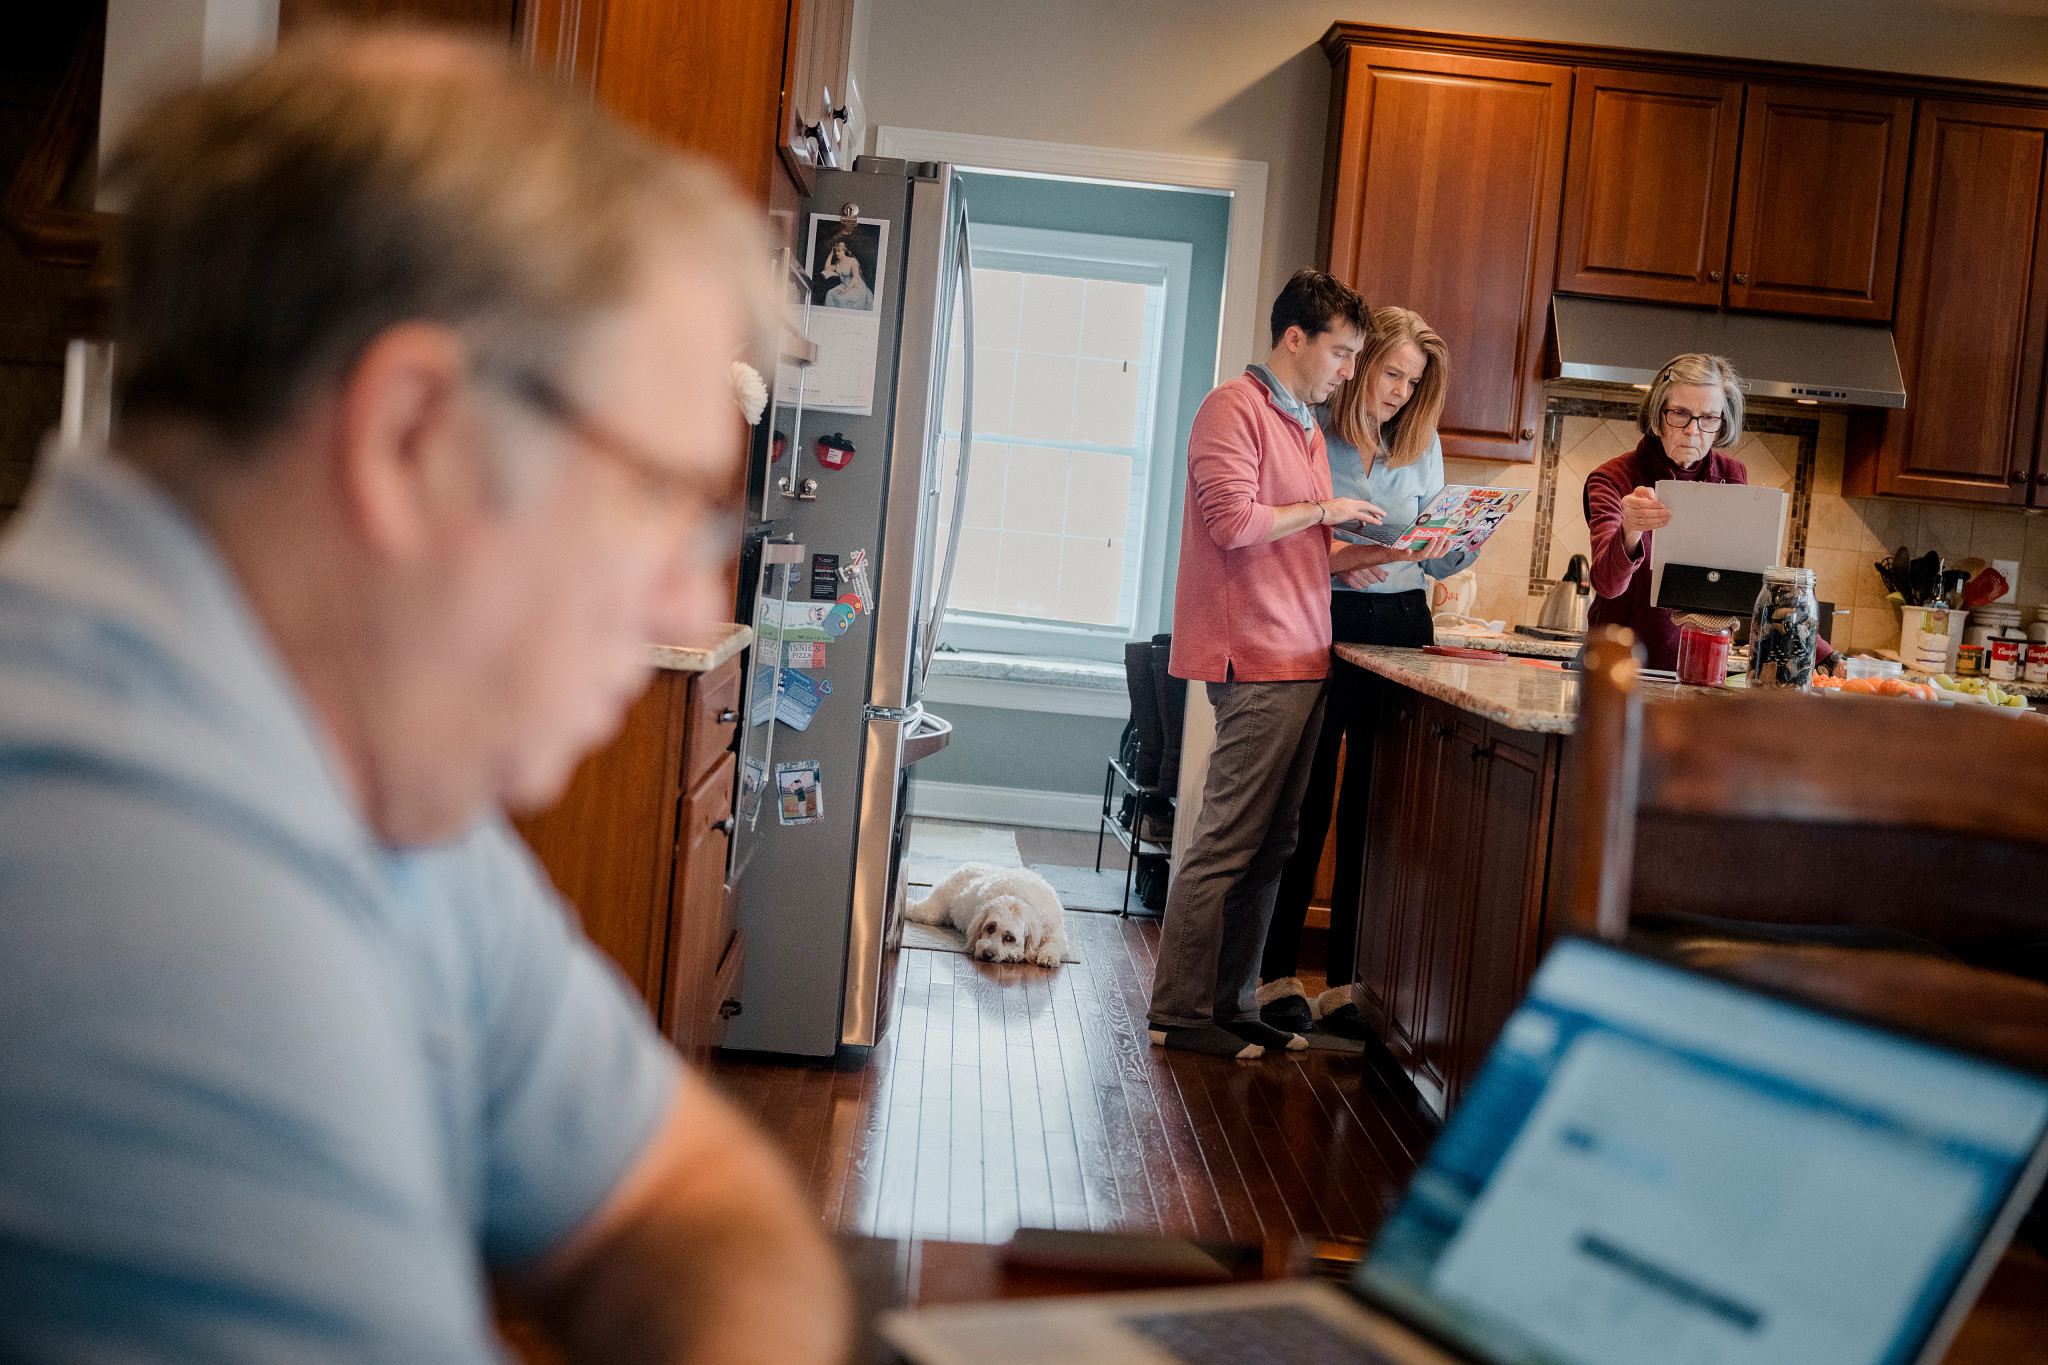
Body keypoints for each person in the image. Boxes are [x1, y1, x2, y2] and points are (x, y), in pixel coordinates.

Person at [0, 30, 848, 1364]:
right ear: (415, 439)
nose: (693, 607)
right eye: (658, 498)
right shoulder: (139, 897)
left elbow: (692, 1195)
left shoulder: (363, 779)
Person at [1146, 270, 1424, 1060]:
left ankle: (1233, 1002)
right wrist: (1325, 511)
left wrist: (1375, 552)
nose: (1348, 370)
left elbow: (1301, 546)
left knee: (1274, 843)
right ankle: (1178, 1007)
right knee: (1227, 839)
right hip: (1256, 653)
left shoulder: (1300, 423)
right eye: (1340, 352)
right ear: (1293, 338)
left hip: (1305, 652)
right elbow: (1232, 523)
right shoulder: (1230, 407)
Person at [1258, 307, 1467, 1037]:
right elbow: (1295, 535)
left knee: (1375, 810)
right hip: (1331, 616)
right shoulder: (1314, 433)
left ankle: (1350, 985)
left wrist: (1460, 541)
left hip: (1405, 624)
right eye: (1391, 373)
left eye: (1413, 382)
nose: (1401, 392)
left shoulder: (1424, 444)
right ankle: (1277, 975)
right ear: (1359, 364)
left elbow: (1435, 556)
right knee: (1306, 797)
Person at [1584, 352, 1834, 674]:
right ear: (1658, 414)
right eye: (1680, 413)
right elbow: (1606, 585)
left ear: (1721, 423)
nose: (1693, 430)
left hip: (1703, 664)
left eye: (1708, 418)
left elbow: (1748, 574)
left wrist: (1824, 653)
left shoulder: (1731, 474)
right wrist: (1629, 531)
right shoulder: (1613, 478)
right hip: (1619, 665)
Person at [821, 237, 872, 309]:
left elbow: (855, 278)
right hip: (843, 286)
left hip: (855, 287)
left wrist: (846, 290)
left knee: (843, 299)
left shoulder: (852, 261)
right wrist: (831, 254)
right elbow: (826, 269)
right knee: (830, 294)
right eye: (835, 251)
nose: (836, 253)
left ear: (844, 251)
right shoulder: (837, 263)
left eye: (839, 251)